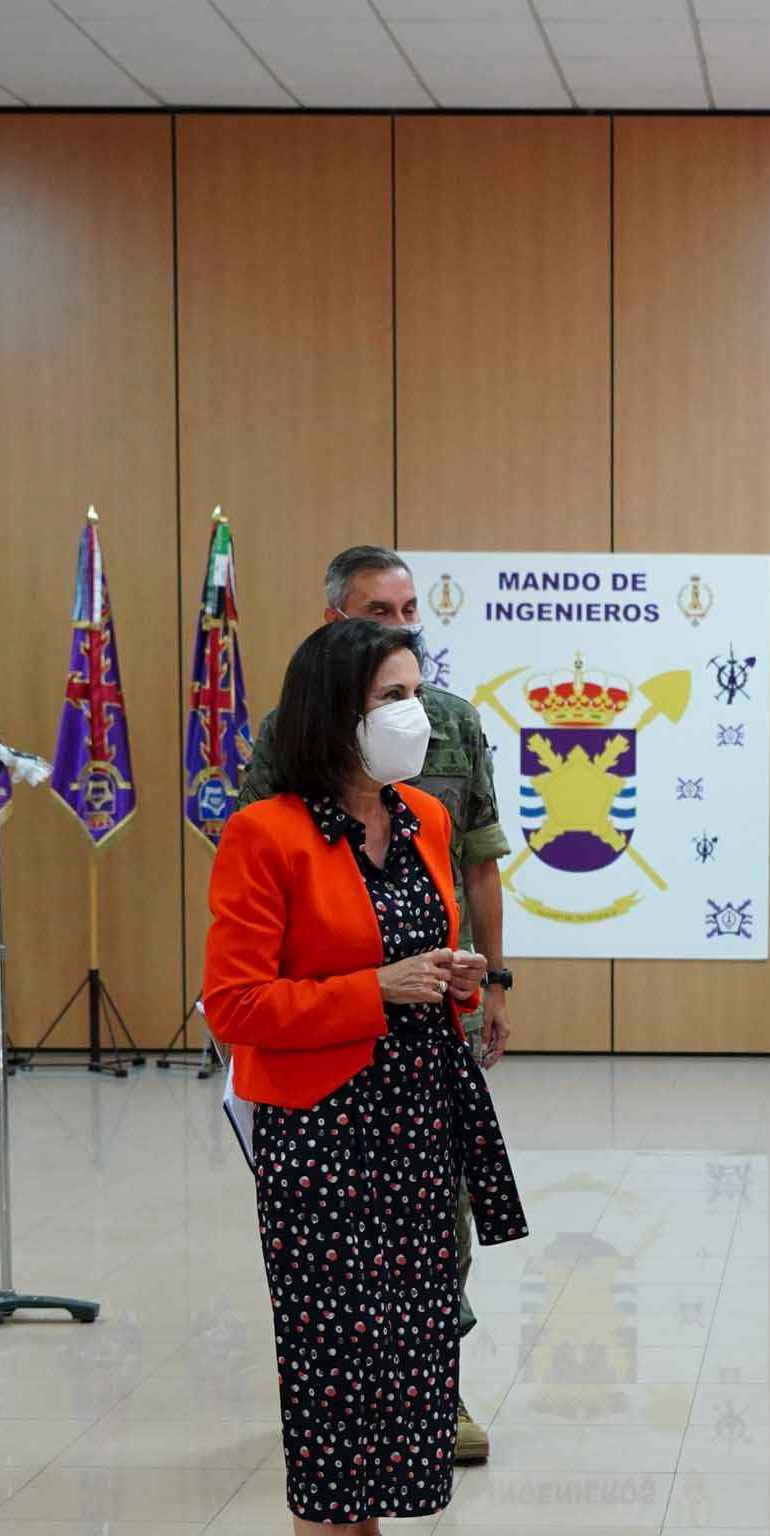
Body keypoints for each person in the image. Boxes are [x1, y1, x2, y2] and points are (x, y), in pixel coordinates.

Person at [205, 618, 528, 1536]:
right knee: (330, 1357)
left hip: (414, 1116)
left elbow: (414, 943)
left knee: (406, 1336)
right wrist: (374, 989)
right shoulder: (265, 834)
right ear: (336, 711)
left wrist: (451, 976)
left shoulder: (424, 816)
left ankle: (363, 1531)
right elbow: (235, 1002)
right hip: (319, 1129)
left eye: (415, 691)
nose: (413, 714)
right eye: (392, 694)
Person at [241, 546, 509, 1468]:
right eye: (378, 612)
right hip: (325, 1039)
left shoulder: (450, 729)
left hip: (428, 1030)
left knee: (436, 1225)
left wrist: (489, 978)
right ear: (336, 622)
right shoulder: (292, 737)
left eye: (408, 611)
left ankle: (435, 1387)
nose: (401, 626)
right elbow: (262, 898)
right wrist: (362, 984)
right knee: (341, 1259)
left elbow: (478, 860)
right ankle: (343, 1424)